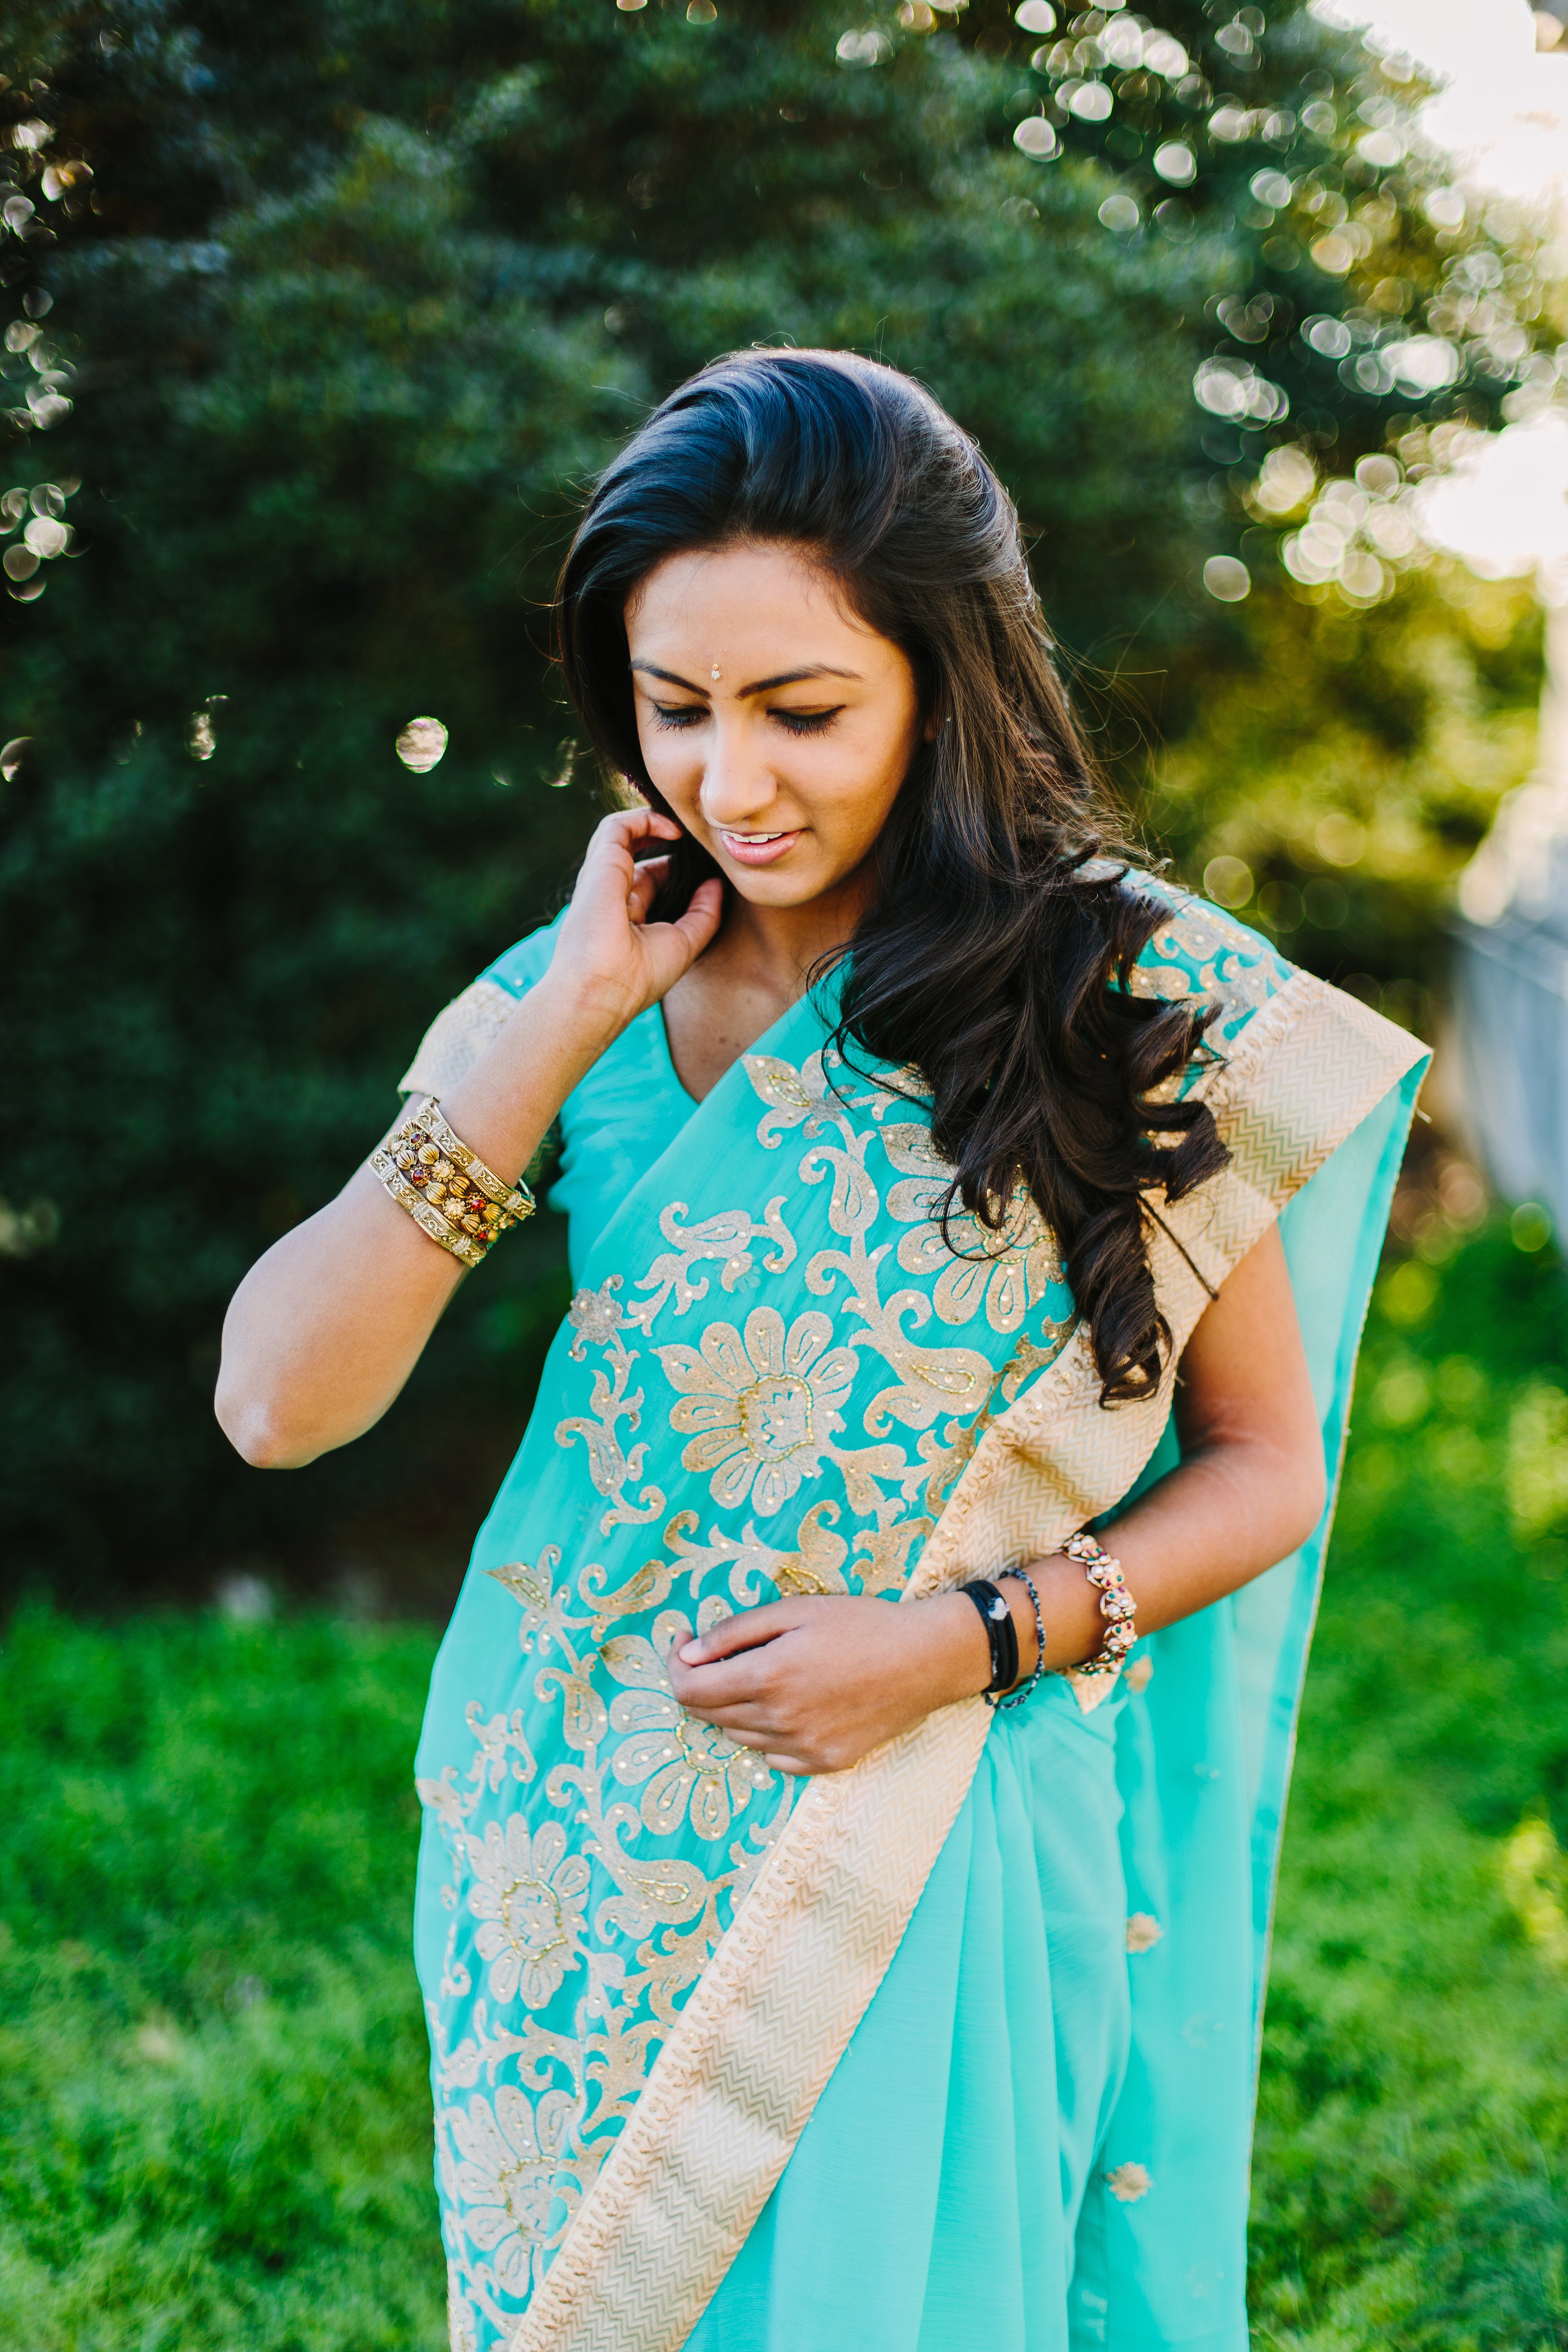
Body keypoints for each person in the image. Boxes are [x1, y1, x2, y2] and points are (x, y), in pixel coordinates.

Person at [216, 350, 1426, 2352]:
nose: (730, 779)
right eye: (670, 706)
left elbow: (1265, 1464)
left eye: (802, 710)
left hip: (926, 1838)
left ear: (942, 687)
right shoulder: (574, 997)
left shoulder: (1120, 996)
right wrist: (566, 1014)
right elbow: (277, 1403)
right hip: (568, 1845)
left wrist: (962, 1638)